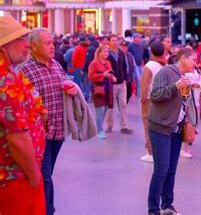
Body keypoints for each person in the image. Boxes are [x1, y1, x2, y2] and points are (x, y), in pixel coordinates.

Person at [19, 28, 79, 215]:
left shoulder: (55, 65)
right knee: (44, 176)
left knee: (47, 174)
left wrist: (71, 90)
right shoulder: (24, 70)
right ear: (33, 47)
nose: (52, 46)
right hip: (38, 134)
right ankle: (46, 211)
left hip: (57, 131)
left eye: (52, 43)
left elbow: (64, 84)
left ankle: (37, 205)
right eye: (47, 43)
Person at [0, 16, 46, 215]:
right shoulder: (5, 83)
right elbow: (17, 138)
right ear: (3, 47)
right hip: (16, 178)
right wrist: (34, 176)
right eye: (20, 40)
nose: (27, 45)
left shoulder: (11, 76)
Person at [147, 48, 197, 215]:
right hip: (160, 126)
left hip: (176, 128)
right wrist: (174, 87)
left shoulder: (184, 77)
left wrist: (187, 120)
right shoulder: (166, 72)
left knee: (171, 169)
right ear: (183, 58)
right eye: (193, 60)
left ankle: (167, 205)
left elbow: (183, 103)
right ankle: (153, 209)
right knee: (161, 170)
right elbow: (154, 95)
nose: (195, 63)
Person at [140, 41, 167, 163]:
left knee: (148, 125)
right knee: (159, 125)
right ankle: (160, 150)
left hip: (150, 99)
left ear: (151, 51)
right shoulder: (165, 65)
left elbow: (145, 85)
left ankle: (150, 152)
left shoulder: (149, 66)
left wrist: (143, 99)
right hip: (162, 98)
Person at [105, 35, 132, 134]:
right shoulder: (106, 54)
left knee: (123, 104)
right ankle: (109, 125)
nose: (115, 42)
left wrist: (125, 79)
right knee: (110, 106)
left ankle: (124, 126)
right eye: (113, 40)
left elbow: (124, 67)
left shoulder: (121, 53)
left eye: (116, 40)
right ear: (109, 42)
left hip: (121, 83)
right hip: (111, 83)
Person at [88, 45, 116, 139]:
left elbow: (111, 73)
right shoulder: (94, 63)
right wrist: (103, 75)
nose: (106, 53)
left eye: (107, 52)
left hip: (108, 88)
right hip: (98, 89)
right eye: (104, 51)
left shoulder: (108, 62)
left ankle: (99, 128)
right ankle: (99, 130)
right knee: (100, 110)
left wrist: (113, 77)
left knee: (105, 109)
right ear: (99, 52)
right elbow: (90, 76)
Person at [128, 33, 145, 99]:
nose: (140, 39)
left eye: (140, 38)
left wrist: (143, 63)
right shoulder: (130, 46)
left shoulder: (141, 46)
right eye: (139, 38)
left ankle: (139, 94)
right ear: (135, 38)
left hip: (140, 65)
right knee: (134, 79)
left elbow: (142, 55)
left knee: (140, 80)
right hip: (133, 66)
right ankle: (132, 93)